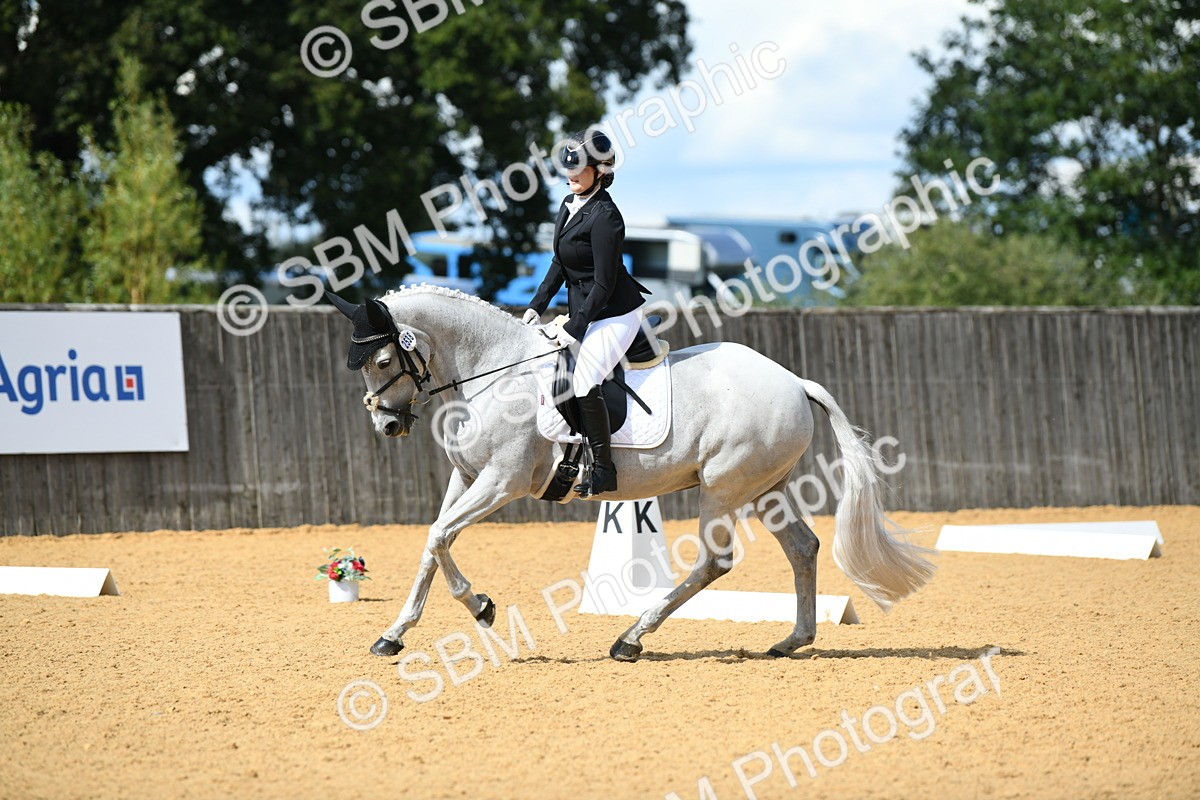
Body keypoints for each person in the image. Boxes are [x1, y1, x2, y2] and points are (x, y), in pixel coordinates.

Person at [523, 129, 649, 497]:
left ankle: (604, 469)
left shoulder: (607, 217)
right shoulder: (568, 204)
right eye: (569, 170)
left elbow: (604, 284)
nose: (571, 175)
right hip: (584, 313)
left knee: (582, 382)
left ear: (600, 170)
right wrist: (536, 305)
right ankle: (572, 455)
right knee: (553, 376)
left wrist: (574, 327)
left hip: (614, 314)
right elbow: (559, 263)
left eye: (579, 169)